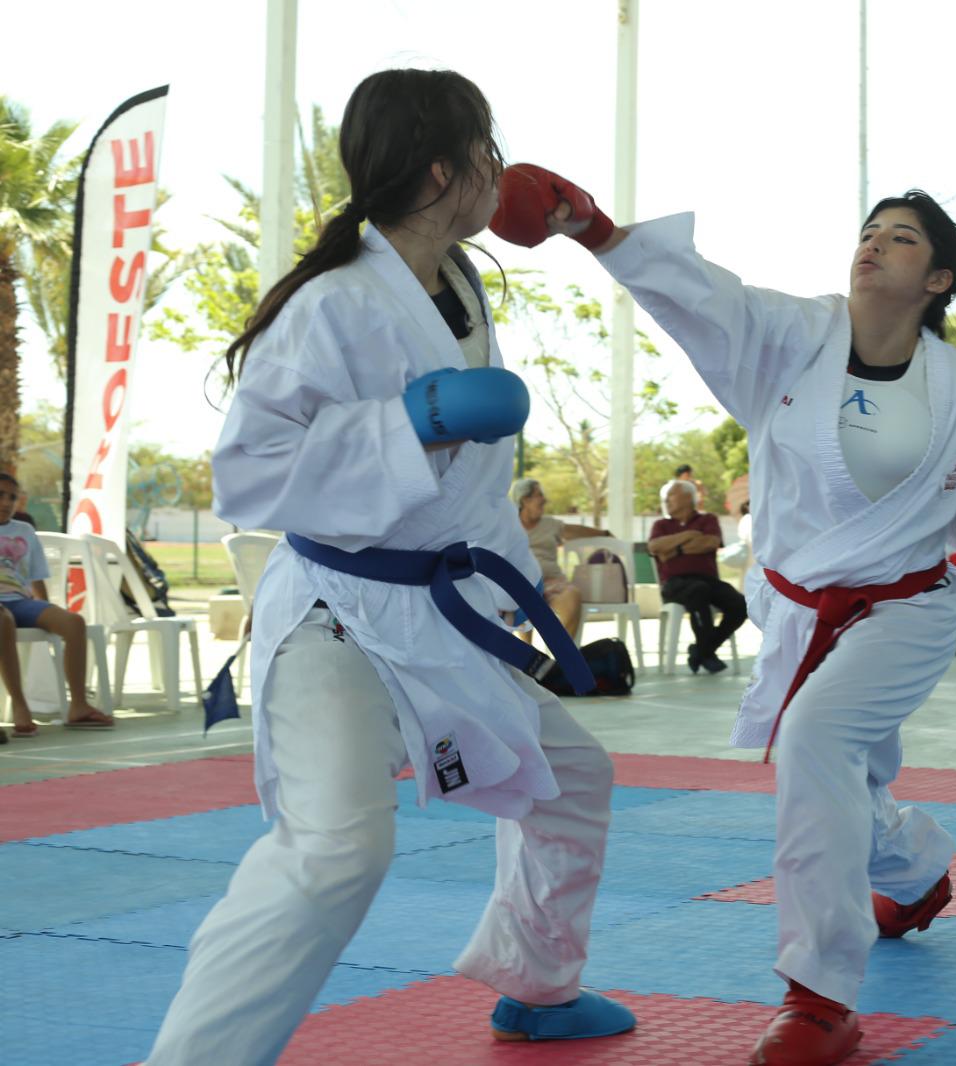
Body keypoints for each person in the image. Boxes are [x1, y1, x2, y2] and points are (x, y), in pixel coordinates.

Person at [492, 171, 956, 1065]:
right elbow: (709, 299)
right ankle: (912, 875)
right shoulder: (795, 339)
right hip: (797, 607)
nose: (875, 242)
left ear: (938, 279)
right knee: (847, 780)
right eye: (871, 229)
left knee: (816, 744)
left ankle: (820, 997)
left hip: (908, 607)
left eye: (902, 237)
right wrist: (597, 231)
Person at [146, 71, 633, 1065]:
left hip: (436, 615)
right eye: (487, 152)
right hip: (337, 617)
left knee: (573, 778)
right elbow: (249, 473)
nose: (501, 173)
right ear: (446, 169)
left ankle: (535, 984)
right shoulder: (330, 303)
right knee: (336, 850)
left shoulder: (452, 281)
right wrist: (406, 425)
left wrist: (589, 227)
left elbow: (467, 499)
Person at [0, 472, 112, 737]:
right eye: (0, 495)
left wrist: (47, 612)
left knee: (74, 622)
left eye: (12, 497)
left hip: (19, 601)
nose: (6, 502)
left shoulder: (24, 531)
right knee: (2, 621)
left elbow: (36, 577)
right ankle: (20, 703)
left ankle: (79, 706)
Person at [649, 478, 746, 673]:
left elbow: (710, 542)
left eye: (671, 496)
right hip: (674, 583)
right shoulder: (661, 524)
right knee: (697, 591)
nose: (666, 500)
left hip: (708, 580)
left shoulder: (708, 519)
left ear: (687, 497)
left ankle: (701, 650)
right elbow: (654, 546)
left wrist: (674, 551)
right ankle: (706, 654)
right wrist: (691, 534)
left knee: (740, 605)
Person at [509, 477, 610, 637]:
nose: (544, 500)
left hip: (552, 581)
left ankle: (562, 658)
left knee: (572, 595)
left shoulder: (550, 524)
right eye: (539, 495)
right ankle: (529, 658)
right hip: (522, 583)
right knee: (522, 599)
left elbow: (576, 531)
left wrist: (604, 534)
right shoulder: (509, 526)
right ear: (525, 499)